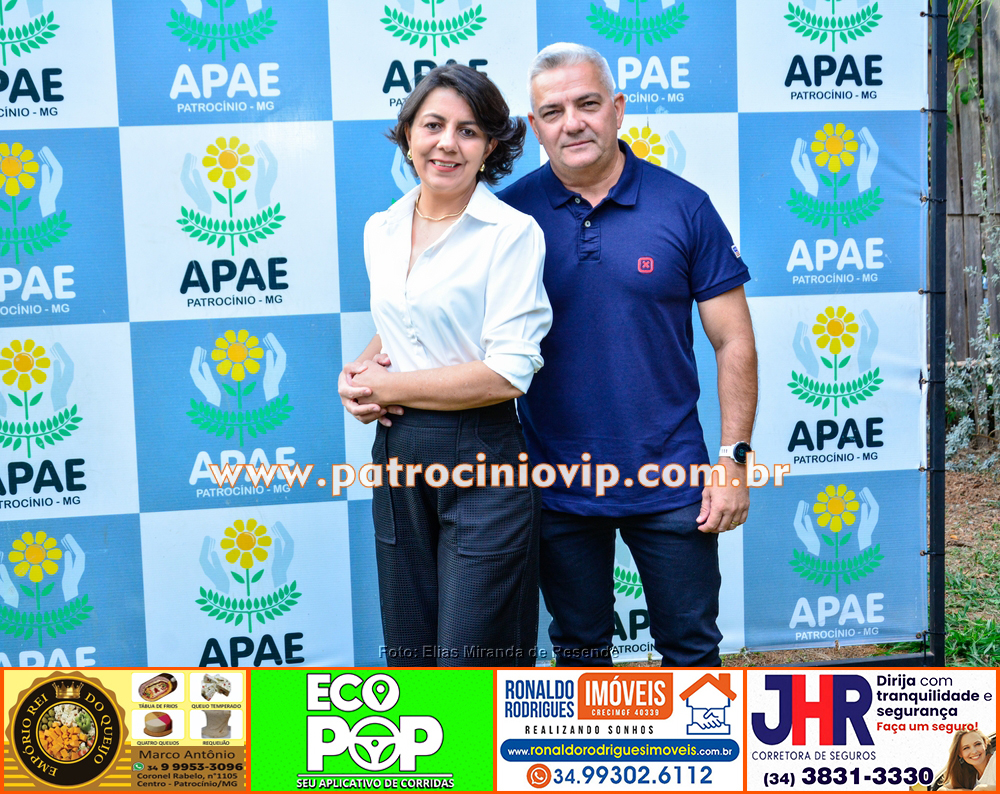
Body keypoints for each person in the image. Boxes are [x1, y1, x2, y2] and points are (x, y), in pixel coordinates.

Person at [497, 43, 758, 667]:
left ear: (617, 109)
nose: (572, 123)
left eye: (587, 104)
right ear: (535, 126)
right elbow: (437, 308)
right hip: (554, 483)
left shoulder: (684, 205)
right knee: (579, 652)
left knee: (691, 651)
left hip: (672, 478)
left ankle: (700, 739)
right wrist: (377, 366)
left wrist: (733, 460)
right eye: (552, 112)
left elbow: (734, 340)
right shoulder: (507, 218)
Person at [337, 64, 552, 667]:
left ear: (490, 148)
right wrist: (357, 377)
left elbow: (508, 372)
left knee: (472, 658)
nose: (447, 144)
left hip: (482, 454)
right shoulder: (381, 228)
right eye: (433, 125)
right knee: (410, 649)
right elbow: (404, 323)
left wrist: (391, 385)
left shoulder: (512, 233)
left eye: (469, 131)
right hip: (397, 454)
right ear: (409, 135)